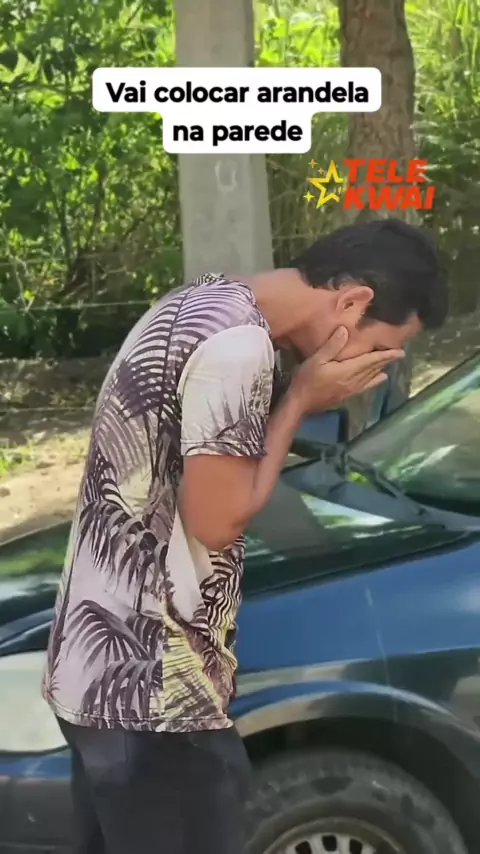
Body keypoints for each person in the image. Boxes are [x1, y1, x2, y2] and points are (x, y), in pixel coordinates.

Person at [42, 217, 448, 854]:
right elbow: (217, 521)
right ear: (352, 302)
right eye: (380, 349)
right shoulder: (238, 350)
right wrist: (299, 402)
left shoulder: (201, 302)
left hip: (98, 669)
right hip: (156, 686)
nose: (368, 367)